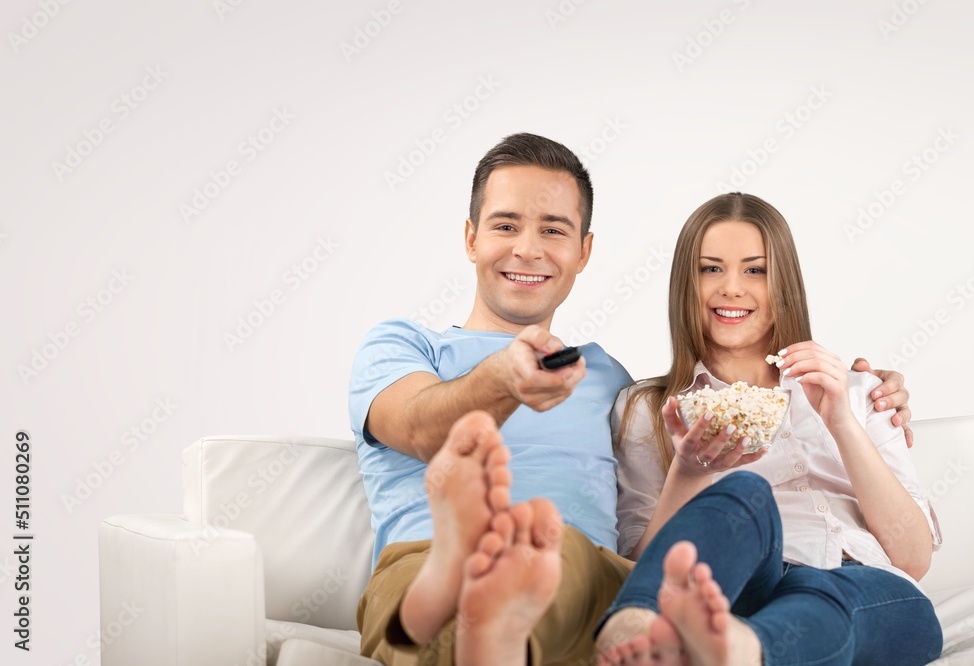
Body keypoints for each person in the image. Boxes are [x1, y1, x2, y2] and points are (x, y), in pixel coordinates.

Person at [348, 134, 914, 665]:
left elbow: (669, 503)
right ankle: (481, 602)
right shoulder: (404, 345)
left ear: (583, 250)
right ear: (471, 238)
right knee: (516, 576)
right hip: (429, 561)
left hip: (590, 572)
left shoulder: (604, 378)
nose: (528, 248)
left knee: (563, 563)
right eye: (505, 225)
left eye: (552, 229)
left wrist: (870, 394)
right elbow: (422, 429)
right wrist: (500, 378)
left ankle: (501, 629)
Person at [595, 193, 942, 665]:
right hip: (740, 580)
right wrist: (691, 472)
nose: (732, 288)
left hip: (862, 587)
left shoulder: (860, 391)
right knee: (744, 491)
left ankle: (742, 649)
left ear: (784, 284)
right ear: (685, 283)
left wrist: (840, 419)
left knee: (827, 596)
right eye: (710, 268)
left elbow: (912, 558)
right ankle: (633, 634)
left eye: (755, 270)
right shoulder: (647, 409)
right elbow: (639, 562)